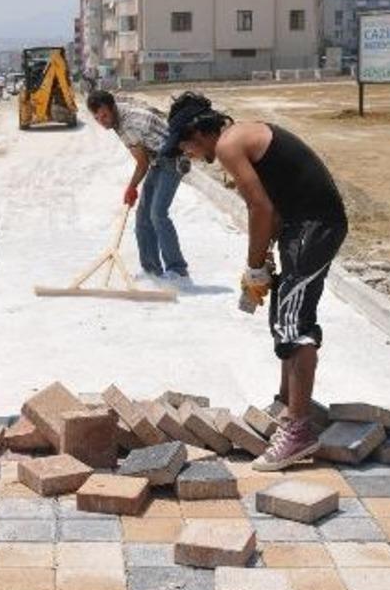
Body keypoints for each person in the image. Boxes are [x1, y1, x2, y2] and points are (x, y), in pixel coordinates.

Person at [161, 91, 348, 472]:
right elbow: (273, 209)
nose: (189, 156)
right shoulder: (242, 136)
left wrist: (253, 266)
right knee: (283, 316)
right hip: (304, 226)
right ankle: (287, 405)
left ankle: (298, 432)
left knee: (294, 325)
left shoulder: (230, 144)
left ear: (198, 132)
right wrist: (262, 262)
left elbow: (259, 208)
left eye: (186, 147)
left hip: (314, 226)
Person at [86, 89, 189, 283]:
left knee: (158, 214)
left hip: (172, 161)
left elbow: (141, 164)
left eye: (105, 115)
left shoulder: (128, 125)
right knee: (143, 218)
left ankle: (178, 270)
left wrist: (131, 187)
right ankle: (151, 269)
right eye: (98, 118)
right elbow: (145, 160)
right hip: (158, 161)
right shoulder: (121, 116)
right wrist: (132, 187)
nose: (102, 121)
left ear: (113, 108)